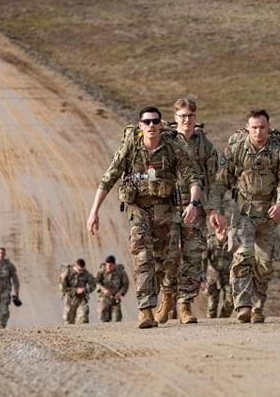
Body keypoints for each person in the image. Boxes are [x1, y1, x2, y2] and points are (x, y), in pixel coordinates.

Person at [86, 106, 202, 329]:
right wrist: (94, 212)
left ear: (160, 125)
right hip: (138, 209)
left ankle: (167, 295)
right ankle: (145, 310)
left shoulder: (172, 148)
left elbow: (193, 178)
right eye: (146, 122)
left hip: (166, 210)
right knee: (143, 255)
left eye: (155, 122)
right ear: (140, 126)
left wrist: (193, 203)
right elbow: (108, 178)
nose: (151, 126)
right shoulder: (130, 148)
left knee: (167, 262)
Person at [207, 109, 280, 324]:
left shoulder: (279, 154)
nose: (258, 131)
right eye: (254, 127)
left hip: (268, 214)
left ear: (268, 126)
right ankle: (243, 305)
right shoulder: (235, 151)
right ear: (247, 127)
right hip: (243, 212)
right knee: (243, 255)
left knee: (265, 264)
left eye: (262, 127)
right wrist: (214, 209)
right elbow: (220, 182)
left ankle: (258, 306)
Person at [154, 98, 218, 325]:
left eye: (190, 116)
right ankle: (167, 298)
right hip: (169, 206)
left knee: (193, 256)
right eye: (182, 116)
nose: (187, 120)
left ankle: (185, 304)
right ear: (175, 118)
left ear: (195, 117)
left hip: (195, 207)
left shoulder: (205, 145)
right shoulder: (166, 140)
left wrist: (212, 210)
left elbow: (212, 181)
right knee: (169, 256)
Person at [204, 224, 234, 318]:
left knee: (231, 300)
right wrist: (203, 278)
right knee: (212, 303)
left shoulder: (232, 241)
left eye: (226, 229)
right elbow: (203, 260)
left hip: (228, 275)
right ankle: (211, 322)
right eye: (221, 230)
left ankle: (223, 319)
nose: (224, 232)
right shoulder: (210, 241)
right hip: (213, 276)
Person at [61, 258, 97, 324]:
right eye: (79, 270)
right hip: (70, 299)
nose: (81, 272)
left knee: (83, 318)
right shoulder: (67, 272)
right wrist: (75, 290)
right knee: (68, 321)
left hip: (82, 299)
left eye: (82, 270)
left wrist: (85, 290)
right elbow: (62, 287)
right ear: (76, 266)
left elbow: (93, 284)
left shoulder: (86, 274)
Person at [96, 255, 130, 322]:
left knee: (116, 319)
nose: (108, 267)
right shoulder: (101, 271)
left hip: (115, 299)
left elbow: (125, 284)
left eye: (111, 265)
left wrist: (120, 293)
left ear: (114, 265)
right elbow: (96, 282)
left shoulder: (121, 272)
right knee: (103, 319)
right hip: (104, 298)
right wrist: (103, 289)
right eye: (107, 265)